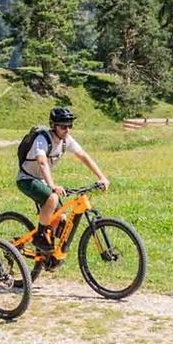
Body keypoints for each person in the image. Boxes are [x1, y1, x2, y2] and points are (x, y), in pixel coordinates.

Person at [16, 106, 108, 255]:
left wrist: (101, 177)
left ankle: (46, 255)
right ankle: (40, 236)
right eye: (63, 126)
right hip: (26, 179)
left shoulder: (66, 140)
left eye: (70, 125)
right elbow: (42, 162)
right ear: (54, 126)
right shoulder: (42, 139)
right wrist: (52, 185)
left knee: (61, 219)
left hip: (41, 180)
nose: (67, 130)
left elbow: (83, 156)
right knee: (53, 197)